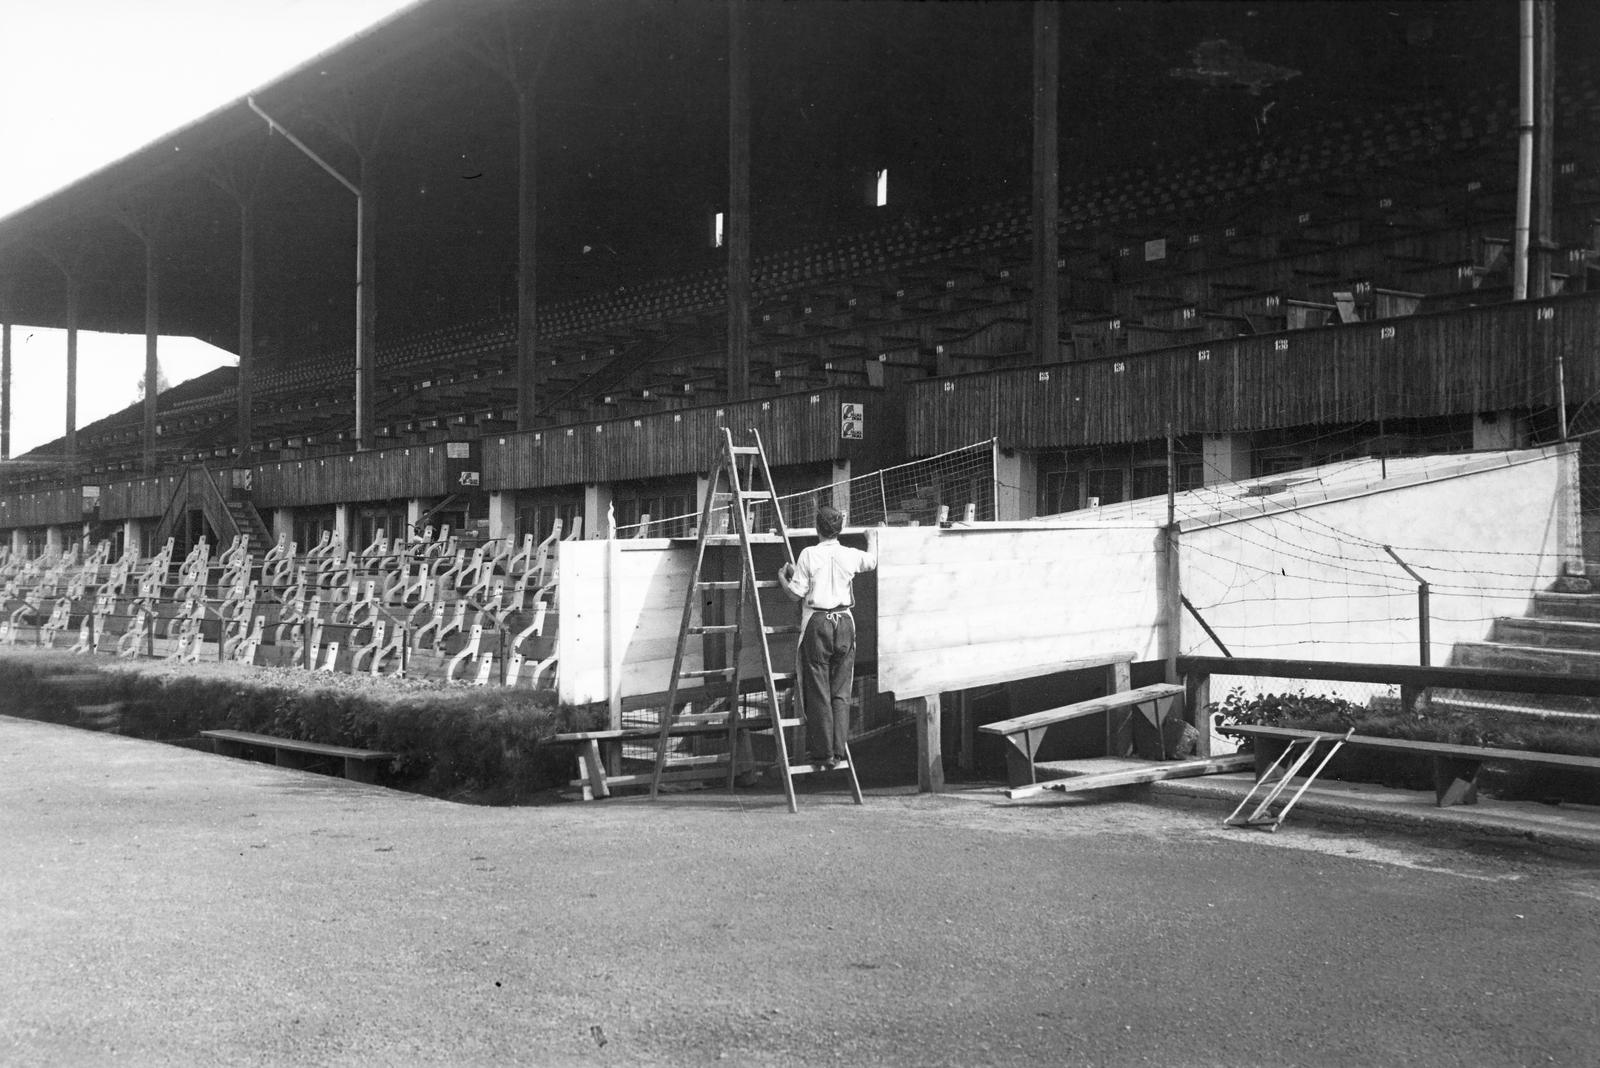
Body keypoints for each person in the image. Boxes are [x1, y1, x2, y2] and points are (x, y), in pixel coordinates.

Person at [778, 504, 878, 768]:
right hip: (845, 621)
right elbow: (872, 561)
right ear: (840, 528)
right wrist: (872, 539)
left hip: (818, 623)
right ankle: (839, 750)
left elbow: (795, 594)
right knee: (841, 689)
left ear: (817, 527)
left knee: (818, 688)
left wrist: (782, 578)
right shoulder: (850, 554)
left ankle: (824, 755)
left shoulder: (808, 554)